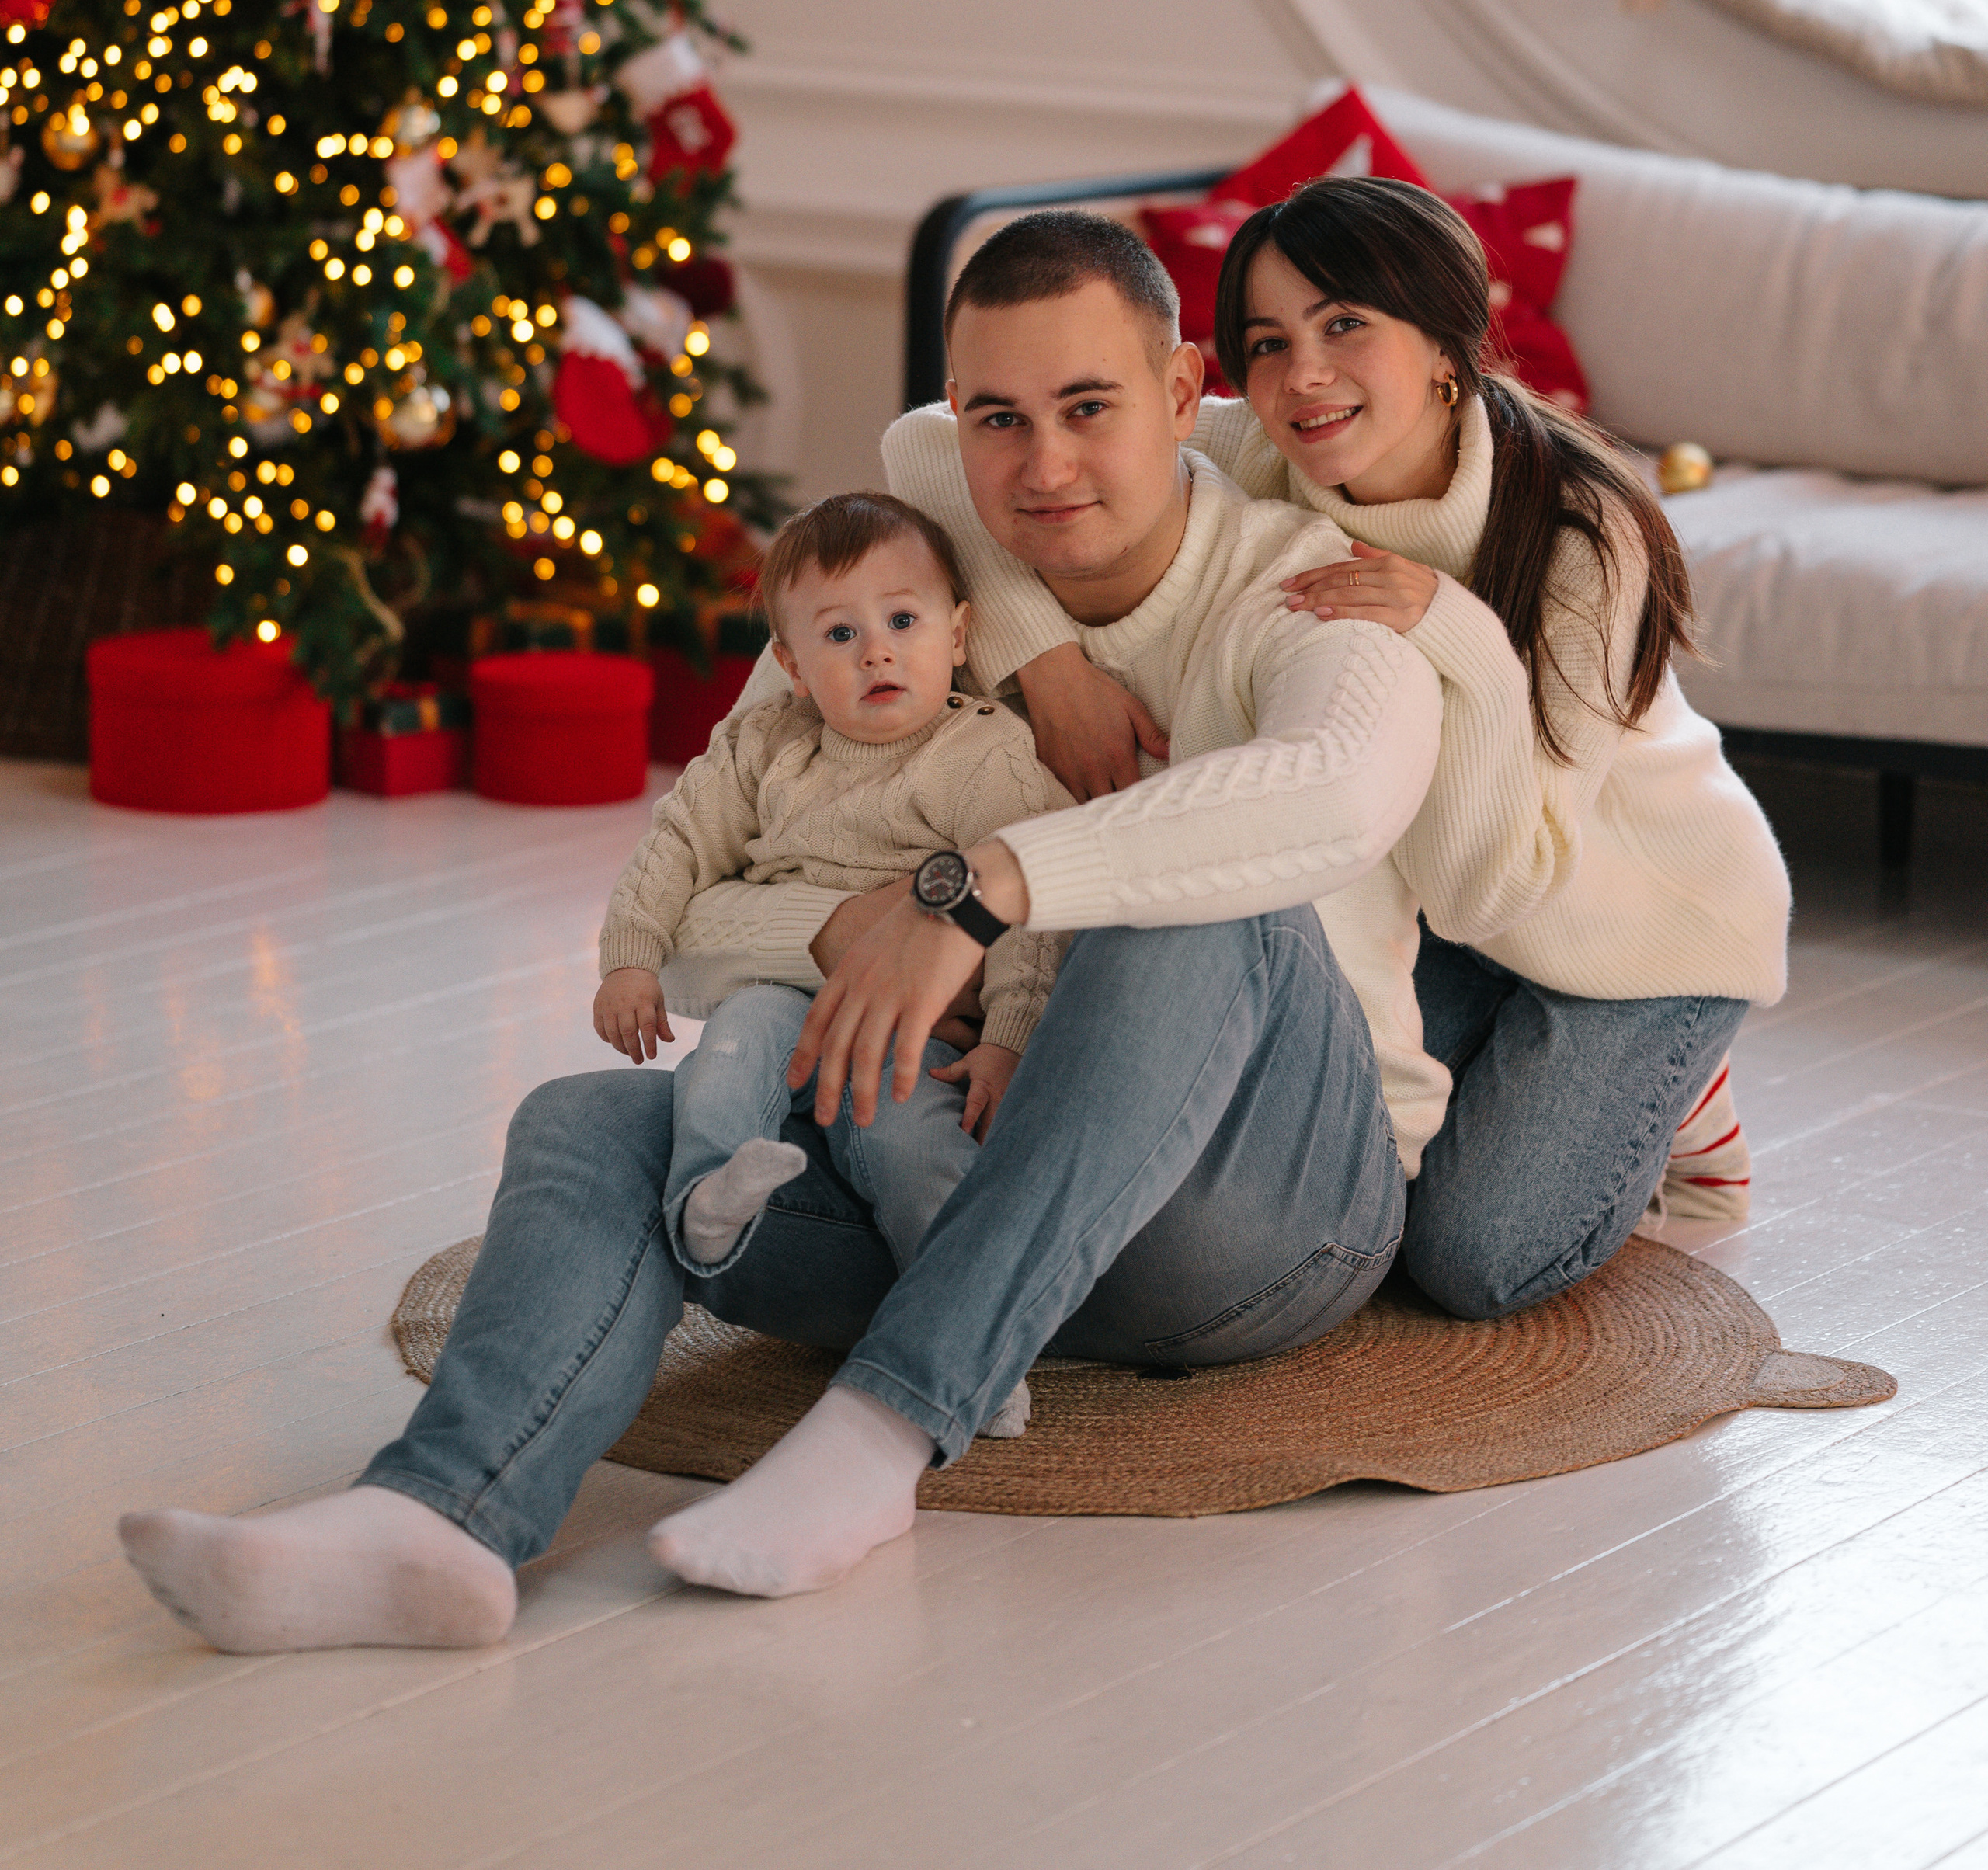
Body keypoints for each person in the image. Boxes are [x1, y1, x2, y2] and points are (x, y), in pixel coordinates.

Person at [116, 211, 1442, 1646]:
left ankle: (879, 1433)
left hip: (1250, 1222)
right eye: (999, 418)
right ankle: (435, 1521)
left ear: (1183, 393)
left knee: (1193, 906)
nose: (1044, 465)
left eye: (1088, 408)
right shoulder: (891, 595)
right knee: (589, 1122)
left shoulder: (1306, 589)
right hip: (945, 1174)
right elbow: (698, 919)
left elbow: (1336, 791)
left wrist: (979, 891)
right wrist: (855, 927)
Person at [890, 177, 1791, 1322]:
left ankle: (1684, 1094)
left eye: (1345, 324)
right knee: (1336, 1149)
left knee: (1471, 1261)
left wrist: (1460, 634)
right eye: (1269, 342)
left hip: (1628, 917)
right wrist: (1047, 664)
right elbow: (924, 443)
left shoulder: (1577, 537)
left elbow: (1494, 885)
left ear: (1446, 346)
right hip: (1442, 910)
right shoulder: (1278, 447)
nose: (1303, 375)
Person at [594, 488, 1069, 1437]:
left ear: (959, 634)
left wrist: (1009, 1037)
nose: (876, 653)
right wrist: (629, 960)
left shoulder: (985, 757)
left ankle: (972, 1341)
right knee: (729, 1054)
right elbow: (677, 844)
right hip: (785, 995)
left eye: (902, 622)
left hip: (916, 1020)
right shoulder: (764, 744)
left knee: (916, 1151)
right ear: (792, 666)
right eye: (840, 634)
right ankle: (711, 1203)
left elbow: (1029, 909)